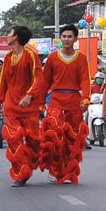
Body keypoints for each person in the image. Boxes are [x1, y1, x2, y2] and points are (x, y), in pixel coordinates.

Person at [22, 24, 90, 184]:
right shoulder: (52, 58)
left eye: (70, 37)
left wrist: (86, 98)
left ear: (75, 39)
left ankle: (67, 172)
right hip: (55, 100)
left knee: (71, 139)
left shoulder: (81, 58)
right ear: (61, 38)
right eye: (64, 36)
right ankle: (54, 170)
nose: (67, 39)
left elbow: (85, 80)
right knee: (54, 138)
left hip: (74, 102)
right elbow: (45, 81)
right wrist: (40, 101)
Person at [0, 26, 41, 186]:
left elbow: (38, 78)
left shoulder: (31, 55)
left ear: (16, 37)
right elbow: (3, 81)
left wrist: (30, 95)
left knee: (34, 141)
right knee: (14, 140)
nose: (7, 36)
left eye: (10, 33)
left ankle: (30, 162)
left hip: (29, 107)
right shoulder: (8, 57)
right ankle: (21, 173)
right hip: (11, 106)